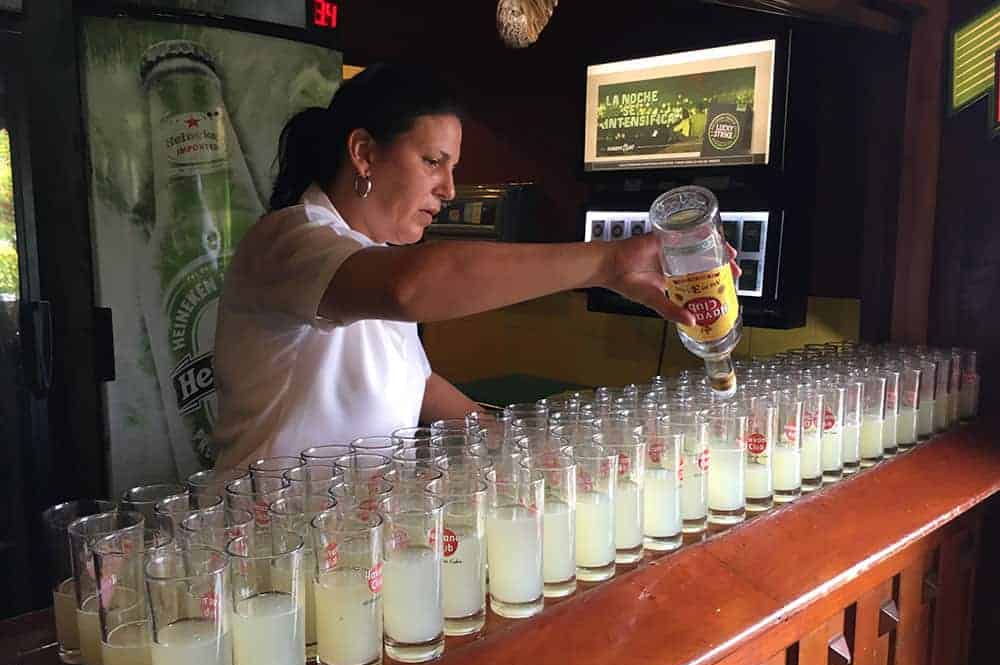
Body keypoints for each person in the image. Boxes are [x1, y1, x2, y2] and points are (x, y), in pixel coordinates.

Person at [212, 64, 736, 469]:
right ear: (364, 154)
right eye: (432, 162)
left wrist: (515, 443)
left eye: (452, 167)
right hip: (264, 549)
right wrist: (607, 262)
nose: (448, 189)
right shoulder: (289, 240)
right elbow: (411, 288)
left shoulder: (368, 258)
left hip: (350, 540)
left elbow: (414, 383)